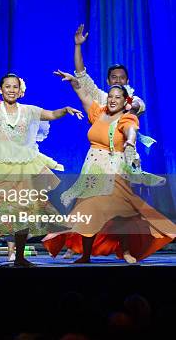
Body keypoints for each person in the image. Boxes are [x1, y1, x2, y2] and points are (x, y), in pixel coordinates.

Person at [0, 52, 82, 266]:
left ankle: (19, 257)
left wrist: (65, 110)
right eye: (7, 86)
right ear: (1, 90)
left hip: (22, 168)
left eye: (15, 86)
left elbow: (50, 114)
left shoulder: (29, 111)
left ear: (19, 90)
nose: (11, 90)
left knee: (23, 211)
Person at [43, 78, 176, 263]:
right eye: (111, 97)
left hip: (114, 172)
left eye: (118, 97)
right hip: (92, 172)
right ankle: (86, 255)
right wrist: (73, 81)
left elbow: (131, 130)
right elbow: (83, 95)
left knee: (120, 212)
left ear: (125, 101)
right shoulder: (99, 113)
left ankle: (127, 250)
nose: (113, 100)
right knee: (88, 209)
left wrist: (130, 142)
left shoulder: (126, 118)